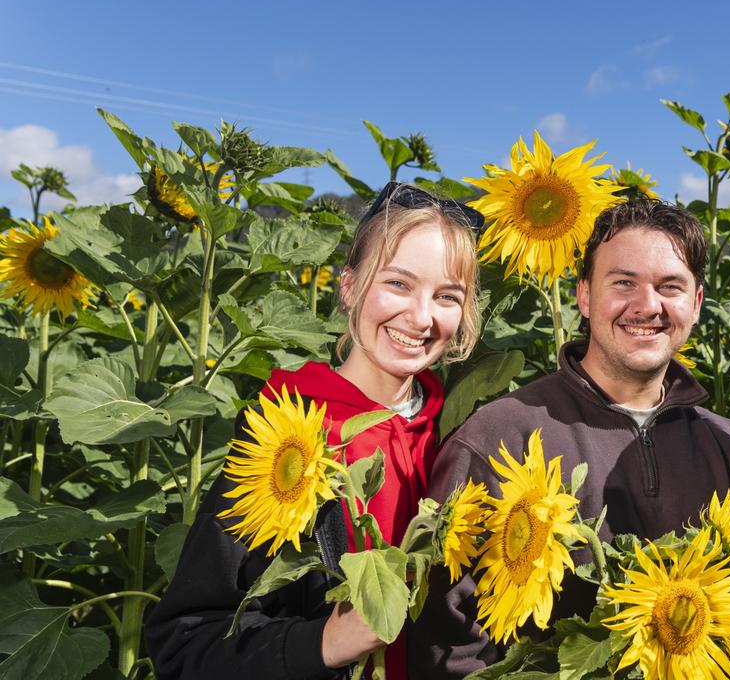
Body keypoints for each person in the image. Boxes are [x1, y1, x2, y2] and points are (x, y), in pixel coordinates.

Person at [411, 197, 730, 678]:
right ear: (583, 296)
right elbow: (444, 642)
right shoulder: (498, 437)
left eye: (670, 287)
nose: (647, 305)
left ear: (697, 303)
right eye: (623, 283)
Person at [145, 182, 483, 680]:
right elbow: (185, 641)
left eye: (447, 296)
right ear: (349, 286)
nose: (421, 316)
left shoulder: (461, 434)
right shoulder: (286, 436)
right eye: (397, 284)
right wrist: (320, 644)